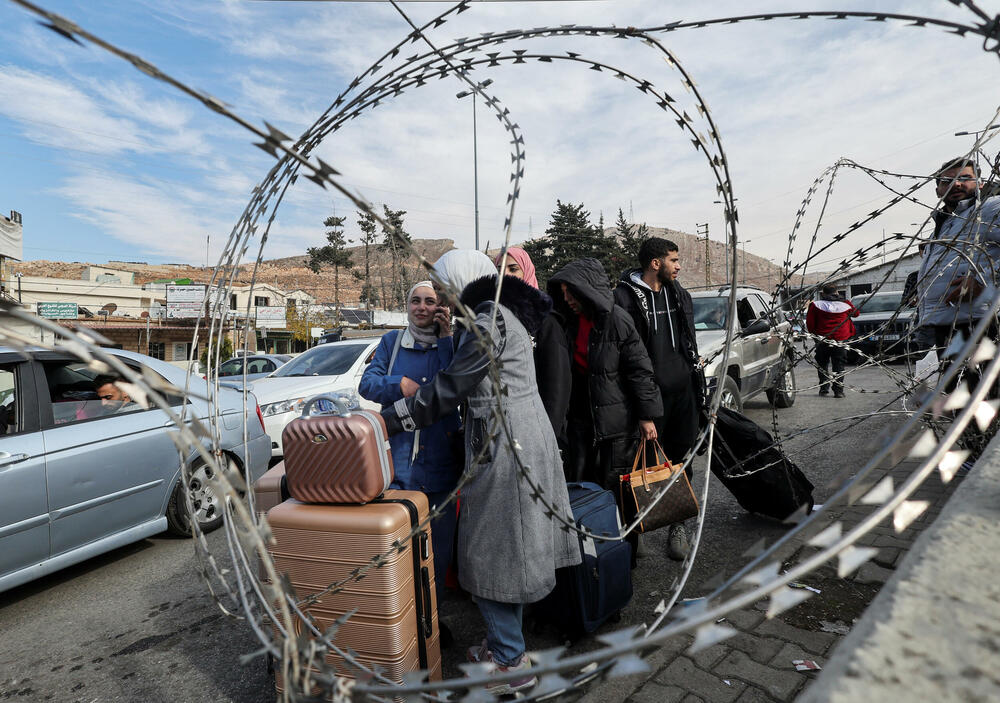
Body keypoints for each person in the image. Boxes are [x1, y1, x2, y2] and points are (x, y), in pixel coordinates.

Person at [381, 250, 579, 696]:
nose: (443, 298)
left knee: (491, 552)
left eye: (446, 287)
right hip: (520, 437)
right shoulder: (497, 312)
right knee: (511, 549)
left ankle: (512, 662)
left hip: (505, 446)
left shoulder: (488, 320)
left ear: (462, 280)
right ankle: (502, 644)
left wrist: (393, 417)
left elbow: (450, 388)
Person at [359, 280, 461, 614]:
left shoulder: (451, 343)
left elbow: (457, 384)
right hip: (396, 467)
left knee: (438, 551)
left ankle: (432, 621)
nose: (421, 307)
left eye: (429, 301)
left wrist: (446, 339)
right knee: (398, 551)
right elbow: (367, 383)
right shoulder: (390, 343)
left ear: (441, 307)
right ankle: (401, 625)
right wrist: (397, 384)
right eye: (415, 301)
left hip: (440, 467)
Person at [613, 238, 701, 561]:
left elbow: (688, 342)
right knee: (639, 469)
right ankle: (633, 537)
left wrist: (698, 388)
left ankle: (676, 526)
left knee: (680, 462)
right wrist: (642, 410)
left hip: (683, 398)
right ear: (655, 263)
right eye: (674, 260)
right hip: (649, 401)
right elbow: (625, 362)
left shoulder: (679, 294)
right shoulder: (624, 299)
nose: (678, 266)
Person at [545, 257, 662, 489]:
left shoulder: (617, 320)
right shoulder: (568, 323)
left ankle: (618, 526)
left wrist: (646, 416)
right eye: (563, 293)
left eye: (572, 293)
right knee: (582, 484)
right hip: (580, 421)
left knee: (616, 487)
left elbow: (639, 371)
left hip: (616, 424)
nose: (567, 299)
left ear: (587, 291)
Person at [916, 156, 1000, 353]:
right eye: (947, 181)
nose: (957, 184)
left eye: (965, 178)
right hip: (949, 323)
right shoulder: (944, 225)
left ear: (981, 183)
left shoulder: (989, 209)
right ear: (938, 190)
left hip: (981, 323)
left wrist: (984, 281)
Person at [494, 247, 572, 446]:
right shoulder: (493, 319)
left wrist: (547, 437)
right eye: (499, 270)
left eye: (513, 269)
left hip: (537, 432)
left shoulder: (546, 321)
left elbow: (557, 385)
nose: (505, 276)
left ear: (526, 272)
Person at [805, 285, 858, 398]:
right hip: (840, 339)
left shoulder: (815, 305)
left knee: (822, 364)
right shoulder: (846, 304)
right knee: (839, 364)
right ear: (837, 292)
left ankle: (824, 389)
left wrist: (815, 336)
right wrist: (844, 300)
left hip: (822, 339)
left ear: (823, 294)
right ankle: (838, 391)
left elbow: (810, 323)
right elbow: (856, 314)